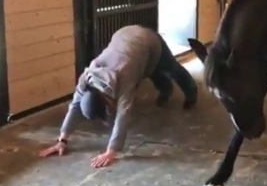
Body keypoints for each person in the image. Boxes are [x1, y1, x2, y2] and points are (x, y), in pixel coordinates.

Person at [38, 25, 198, 168]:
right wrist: (62, 140)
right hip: (124, 38)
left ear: (107, 101)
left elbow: (123, 114)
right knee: (148, 70)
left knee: (170, 67)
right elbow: (74, 107)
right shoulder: (87, 77)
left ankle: (191, 91)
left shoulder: (124, 77)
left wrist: (111, 151)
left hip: (147, 40)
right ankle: (165, 89)